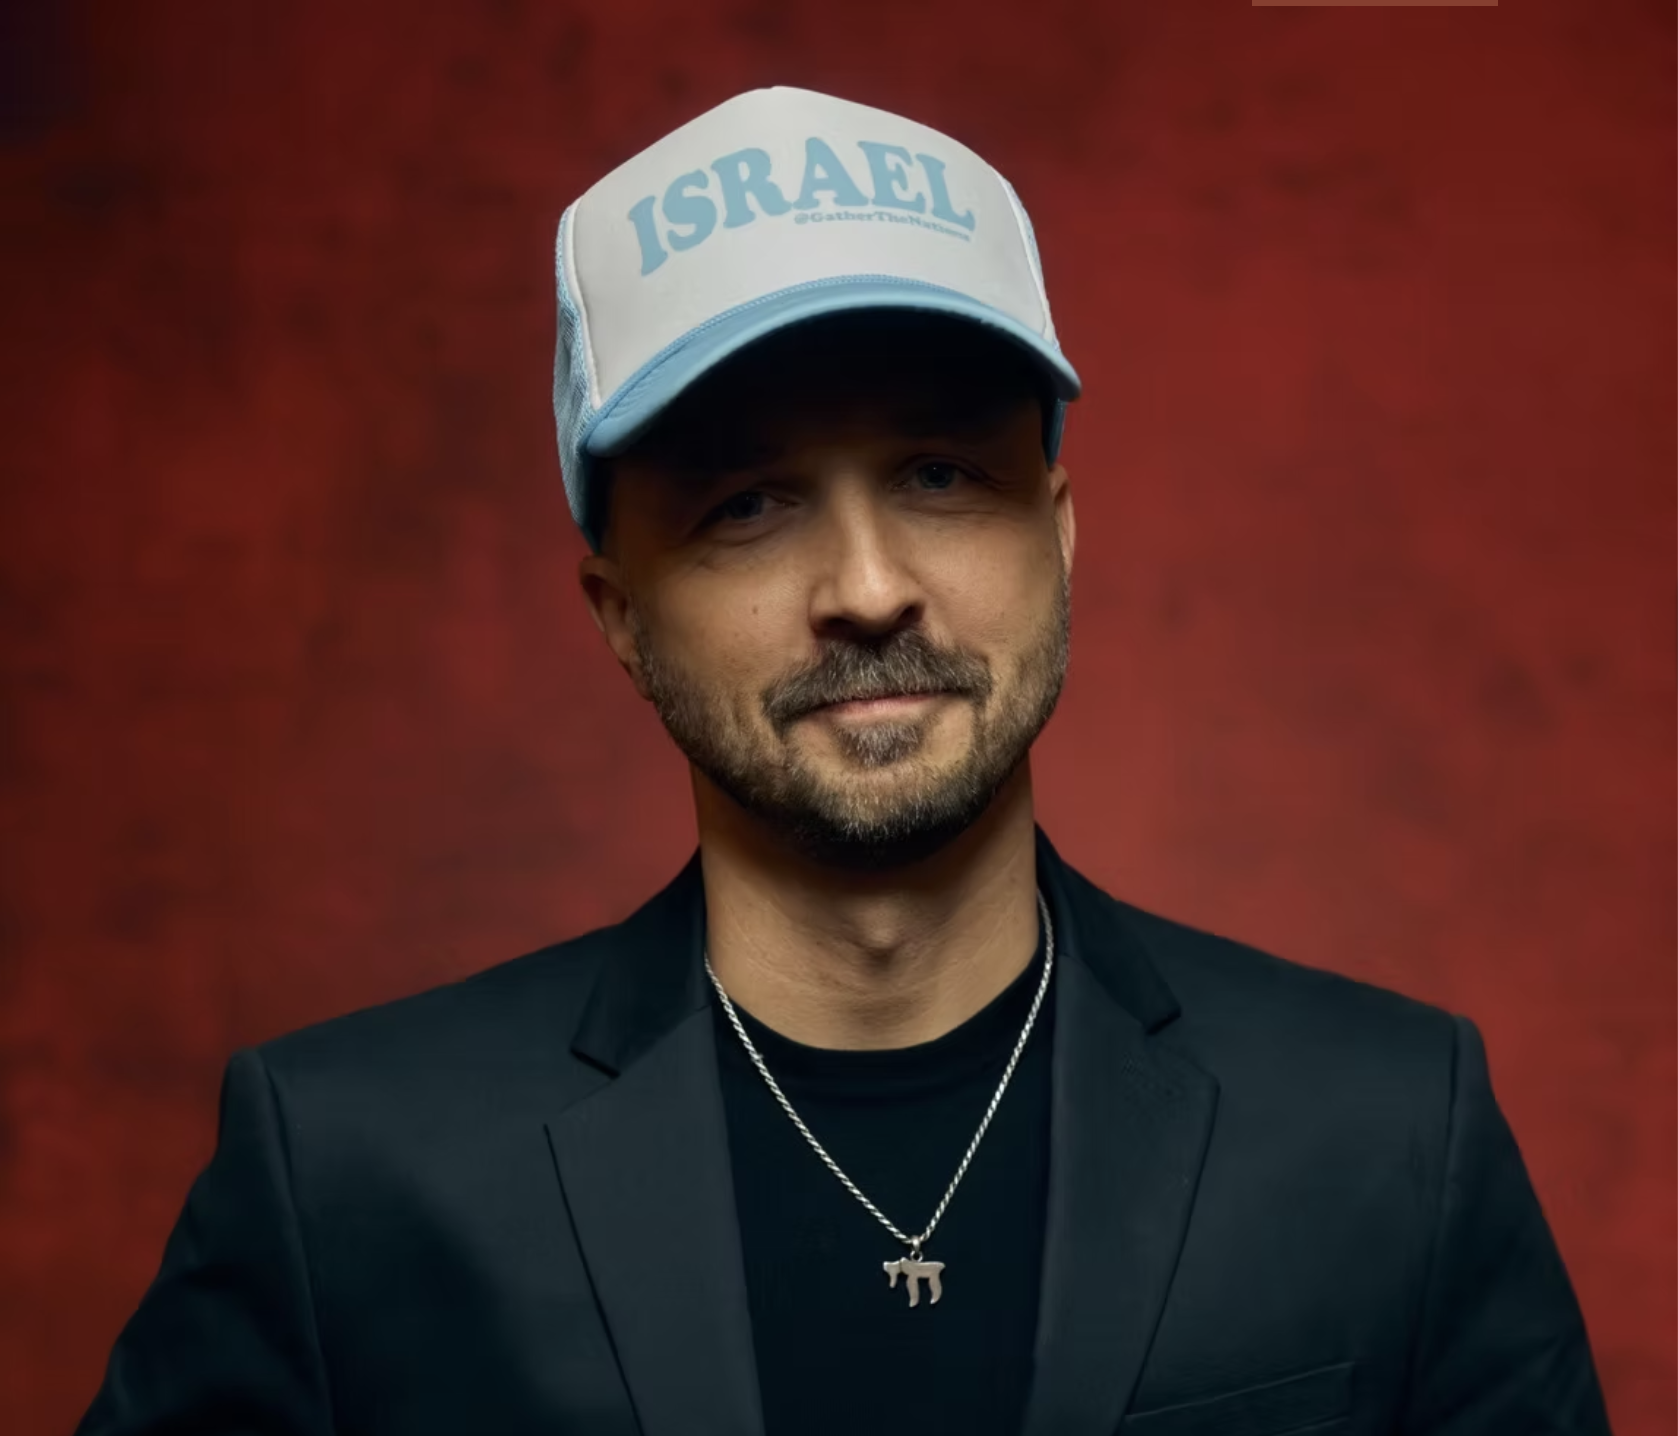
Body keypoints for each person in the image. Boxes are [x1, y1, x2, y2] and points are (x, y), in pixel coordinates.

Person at [78, 86, 1611, 1436]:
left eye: (941, 473)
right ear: (617, 611)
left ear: (1058, 535)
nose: (867, 586)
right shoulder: (345, 1173)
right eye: (747, 503)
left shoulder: (1388, 1128)